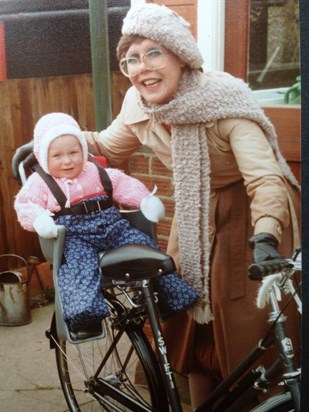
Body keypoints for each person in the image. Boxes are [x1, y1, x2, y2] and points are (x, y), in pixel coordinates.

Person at [12, 4, 301, 407]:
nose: (142, 66)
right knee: (187, 313)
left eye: (154, 53)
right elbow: (112, 144)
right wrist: (62, 141)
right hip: (194, 205)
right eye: (132, 57)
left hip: (249, 212)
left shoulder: (225, 103)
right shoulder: (138, 102)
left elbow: (264, 176)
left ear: (180, 56)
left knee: (246, 323)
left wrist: (267, 231)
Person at [14, 112, 199, 340]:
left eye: (73, 152)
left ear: (83, 151)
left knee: (145, 246)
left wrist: (144, 200)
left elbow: (123, 184)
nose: (68, 160)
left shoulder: (96, 171)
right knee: (79, 265)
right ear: (43, 157)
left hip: (113, 225)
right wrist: (40, 220)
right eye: (57, 155)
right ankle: (85, 315)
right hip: (74, 234)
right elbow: (25, 204)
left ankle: (171, 297)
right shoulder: (40, 182)